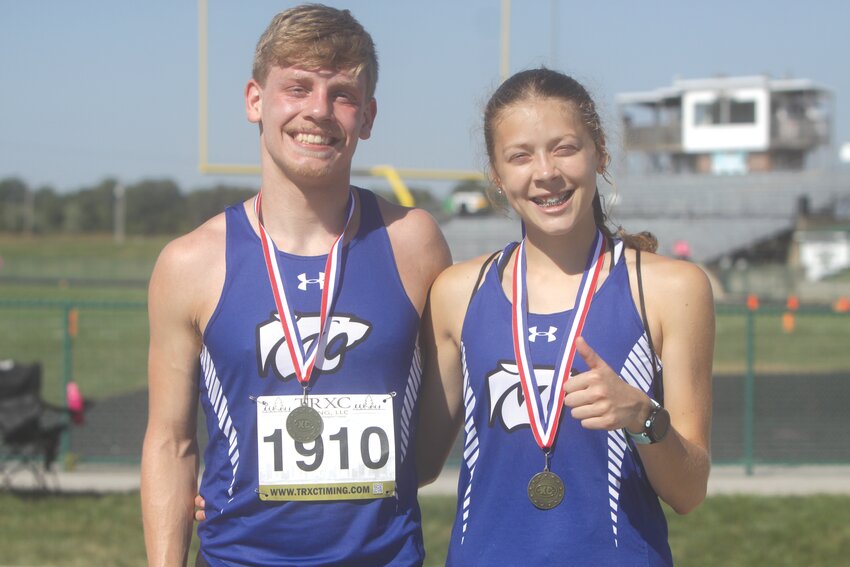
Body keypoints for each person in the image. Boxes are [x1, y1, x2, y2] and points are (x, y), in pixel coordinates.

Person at [141, 4, 450, 566]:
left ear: (369, 116)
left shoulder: (414, 242)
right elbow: (170, 442)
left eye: (342, 94)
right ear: (255, 100)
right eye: (298, 87)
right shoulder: (190, 262)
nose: (318, 111)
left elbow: (430, 439)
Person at [417, 68, 714, 565]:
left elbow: (690, 491)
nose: (545, 172)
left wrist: (642, 417)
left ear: (600, 151)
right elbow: (419, 464)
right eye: (520, 156)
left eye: (564, 148)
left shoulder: (670, 289)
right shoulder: (456, 292)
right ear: (495, 172)